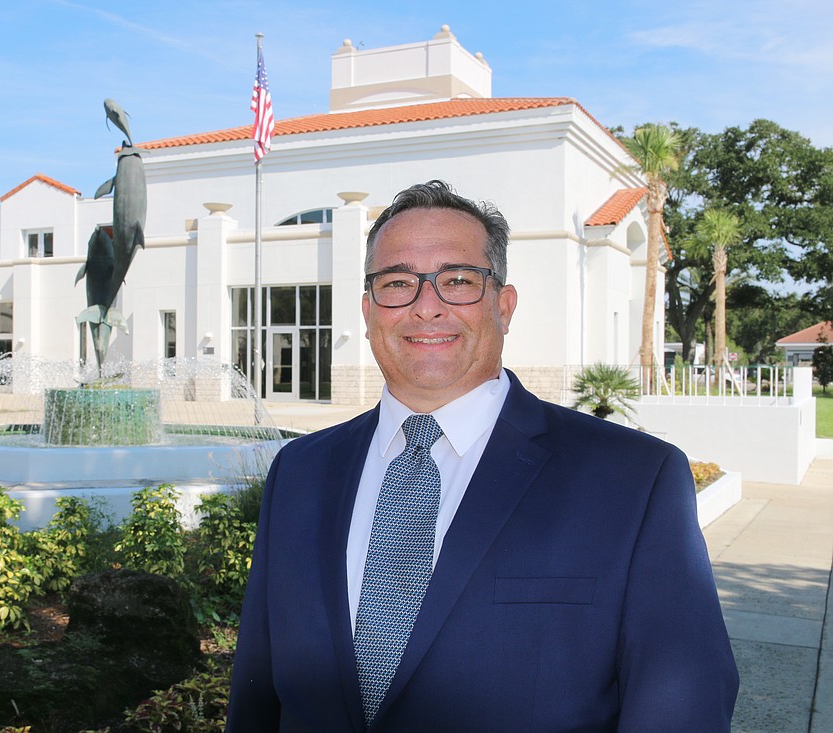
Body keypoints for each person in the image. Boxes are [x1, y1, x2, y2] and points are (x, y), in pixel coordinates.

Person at [226, 180, 738, 732]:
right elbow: (257, 693)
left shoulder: (633, 481)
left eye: (458, 282)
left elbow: (682, 703)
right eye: (398, 283)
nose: (427, 307)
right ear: (370, 311)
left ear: (504, 305)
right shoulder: (298, 472)